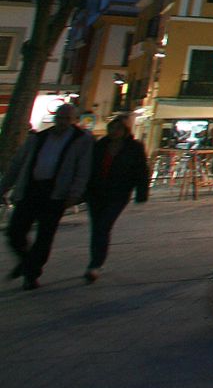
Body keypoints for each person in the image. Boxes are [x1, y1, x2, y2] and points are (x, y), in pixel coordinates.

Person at [2, 102, 94, 290]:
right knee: (15, 232)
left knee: (45, 236)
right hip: (31, 189)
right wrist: (4, 187)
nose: (62, 122)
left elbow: (83, 169)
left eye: (67, 119)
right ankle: (27, 262)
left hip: (55, 193)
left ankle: (31, 274)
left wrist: (75, 193)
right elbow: (18, 164)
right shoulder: (39, 138)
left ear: (74, 120)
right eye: (60, 118)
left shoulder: (82, 140)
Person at [83, 113, 150, 283]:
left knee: (103, 226)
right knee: (97, 227)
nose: (114, 131)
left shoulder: (134, 148)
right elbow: (89, 168)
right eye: (112, 128)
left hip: (118, 194)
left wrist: (141, 192)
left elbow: (142, 171)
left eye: (118, 129)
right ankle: (95, 261)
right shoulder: (100, 145)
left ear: (125, 131)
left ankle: (95, 264)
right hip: (96, 192)